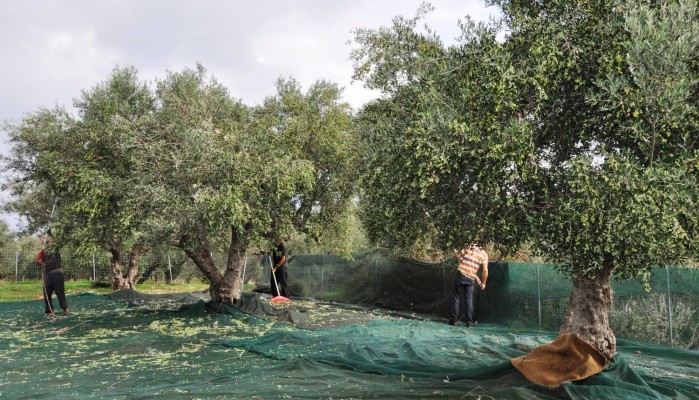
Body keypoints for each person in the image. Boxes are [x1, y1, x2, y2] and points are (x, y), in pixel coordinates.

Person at [449, 243, 488, 327]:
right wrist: (483, 283)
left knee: (456, 297)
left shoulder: (469, 246)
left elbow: (458, 257)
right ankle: (469, 322)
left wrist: (455, 252)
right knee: (469, 300)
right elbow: (485, 271)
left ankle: (453, 320)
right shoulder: (484, 254)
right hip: (471, 278)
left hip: (460, 275)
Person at [35, 230, 68, 317]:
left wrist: (50, 233)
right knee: (47, 293)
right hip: (47, 274)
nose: (42, 239)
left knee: (59, 291)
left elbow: (58, 241)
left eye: (43, 237)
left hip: (57, 272)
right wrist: (39, 262)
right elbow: (38, 260)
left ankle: (64, 308)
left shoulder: (55, 247)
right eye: (41, 238)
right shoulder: (43, 250)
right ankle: (49, 311)